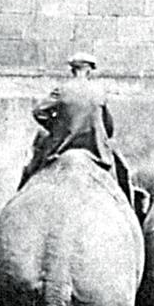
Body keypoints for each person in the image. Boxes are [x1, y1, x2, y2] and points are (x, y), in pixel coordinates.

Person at [20, 52, 134, 207]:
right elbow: (108, 127)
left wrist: (57, 127)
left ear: (72, 70)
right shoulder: (99, 92)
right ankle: (132, 212)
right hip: (96, 150)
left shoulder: (61, 90)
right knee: (123, 172)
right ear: (89, 70)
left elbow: (38, 111)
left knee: (30, 170)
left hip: (61, 148)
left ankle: (20, 194)